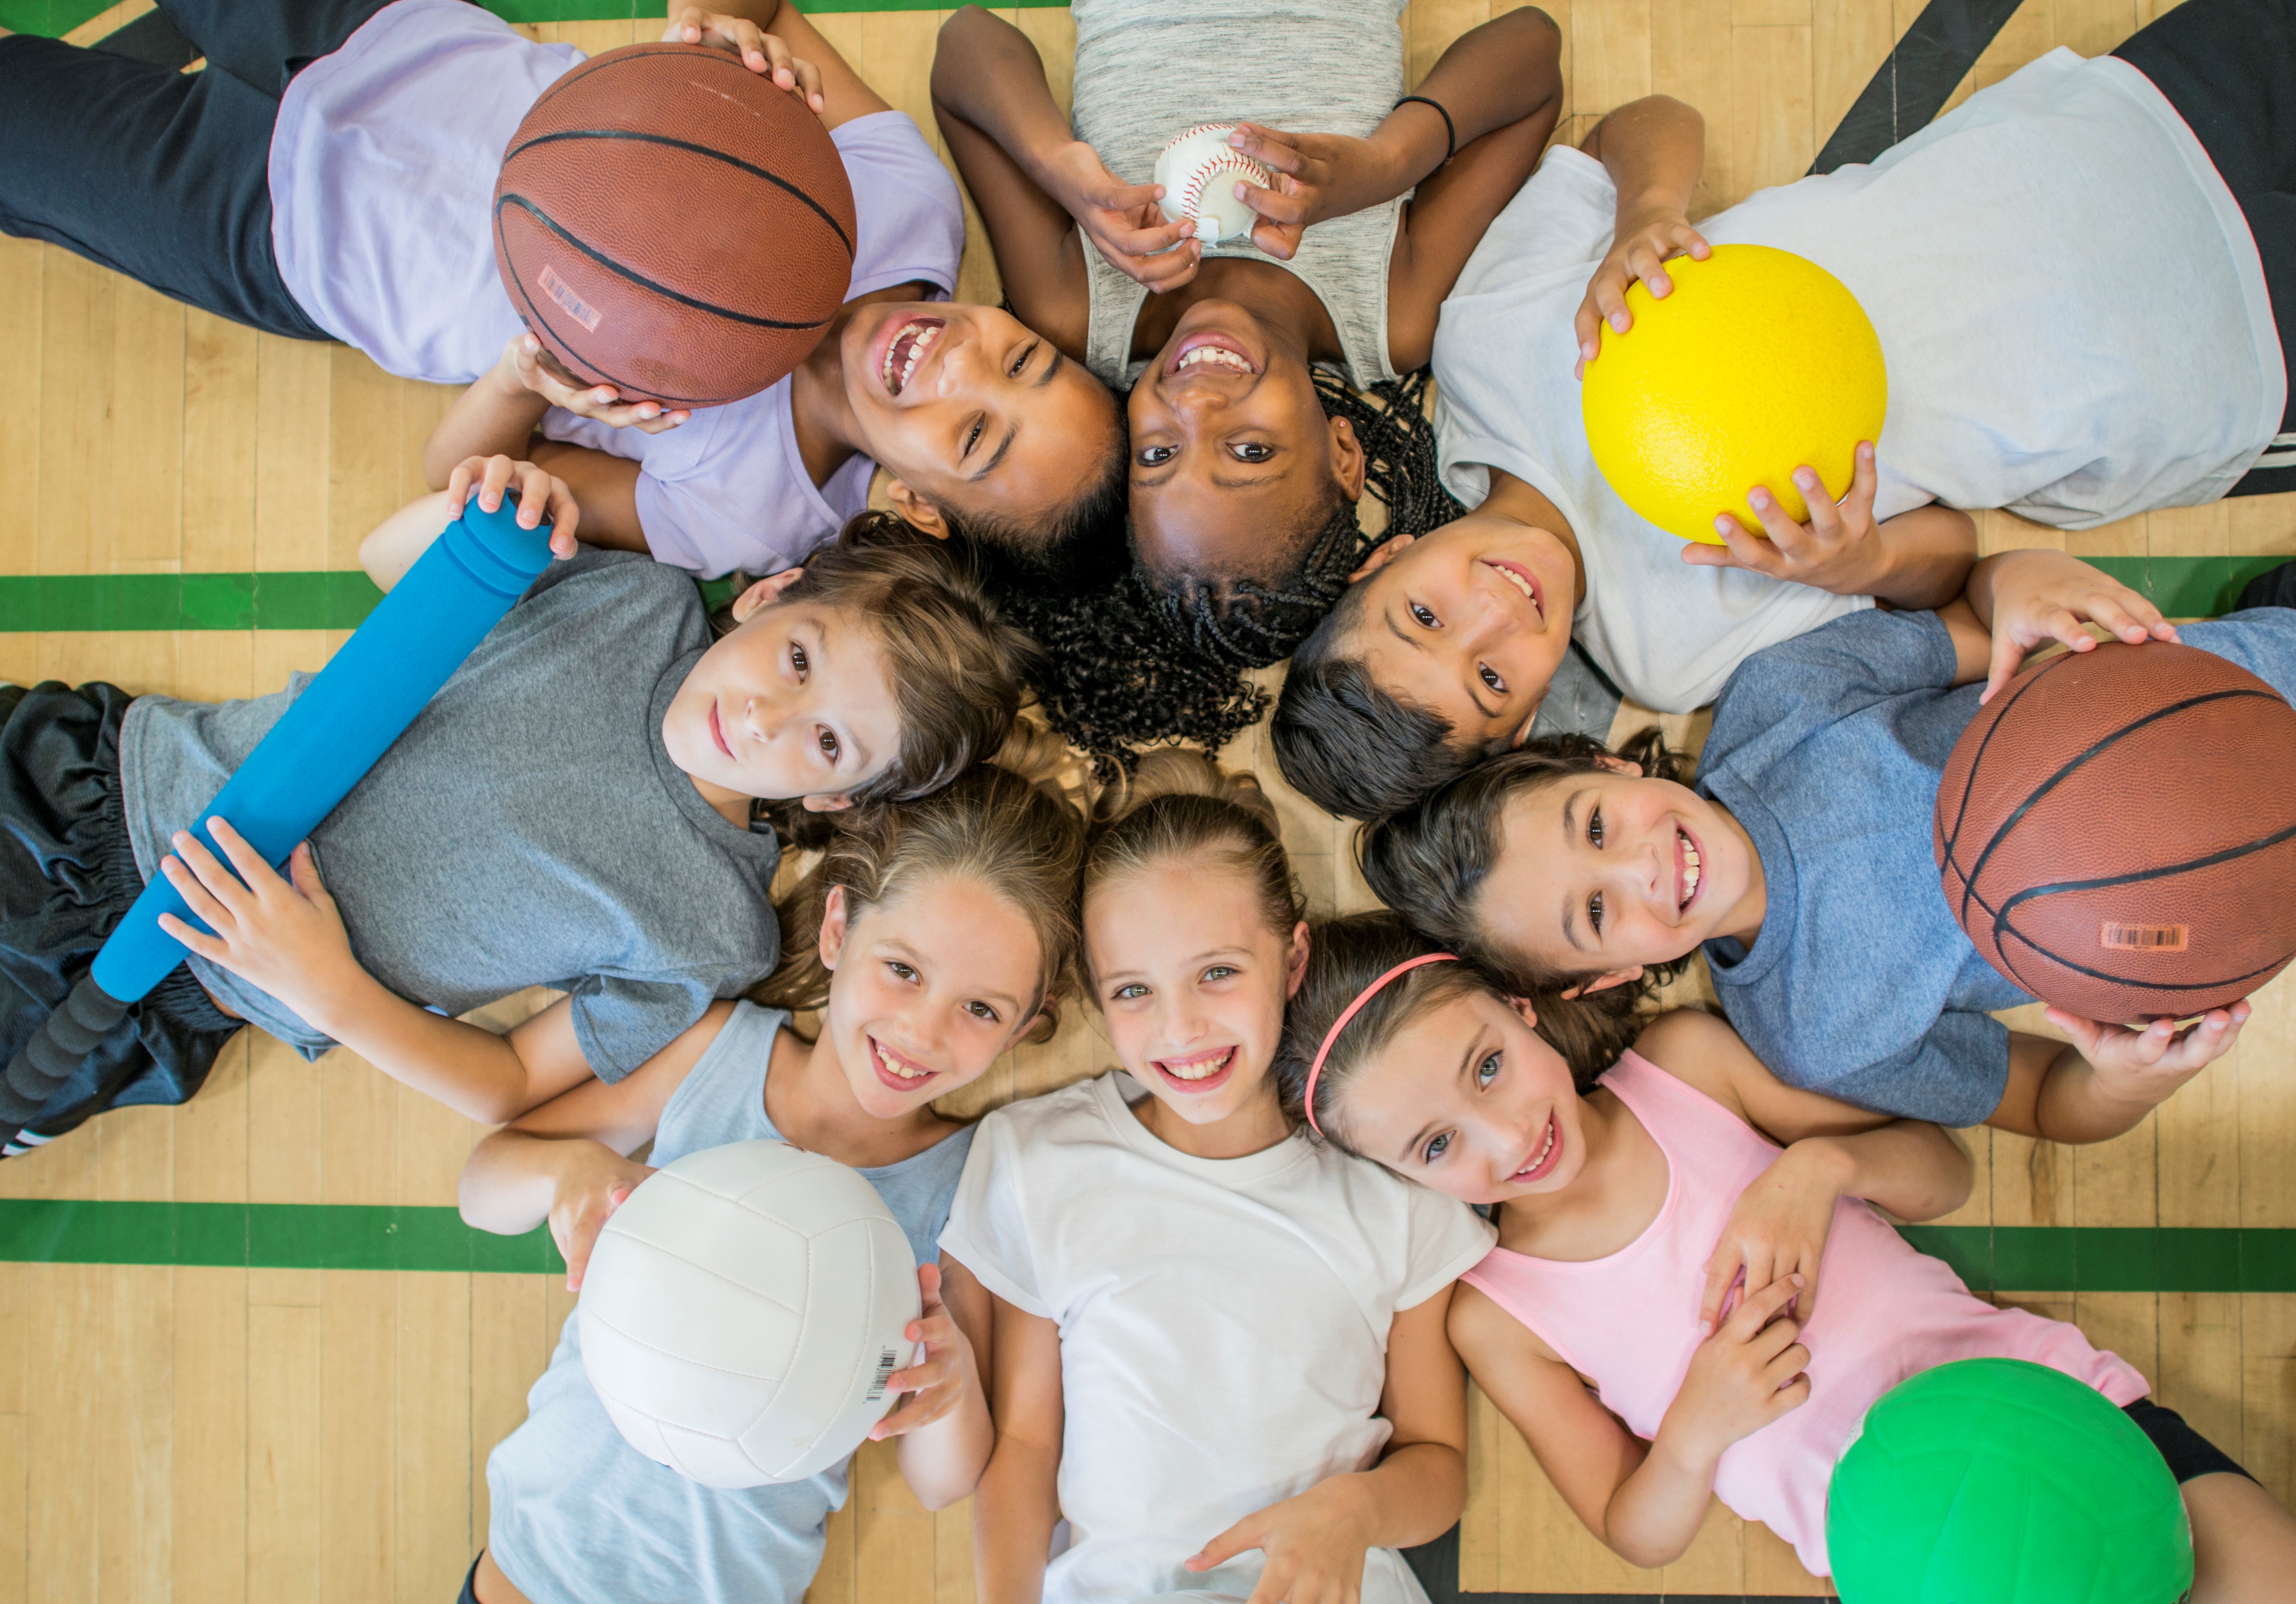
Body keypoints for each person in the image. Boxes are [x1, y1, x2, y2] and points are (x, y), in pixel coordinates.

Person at [1271, 0, 2296, 821]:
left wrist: (1646, 216)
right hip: (2197, 360)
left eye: (1425, 616)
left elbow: (1640, 123)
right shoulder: (1671, 651)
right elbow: (1953, 558)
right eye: (1490, 677)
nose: (1494, 614)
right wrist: (1855, 557)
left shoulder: (1485, 343)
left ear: (1388, 560)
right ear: (1523, 724)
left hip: (2116, 135)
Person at [1276, 911, 2296, 1599]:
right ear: (1404, 1179)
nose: (1508, 1136)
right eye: (1438, 1144)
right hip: (1921, 1562)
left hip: (2061, 1425)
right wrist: (1698, 1427)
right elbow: (1635, 1528)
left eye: (1485, 1067)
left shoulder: (1688, 1068)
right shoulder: (1501, 1314)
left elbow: (1944, 1172)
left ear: (1521, 1010)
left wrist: (1818, 1172)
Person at [0, 458, 1037, 1154]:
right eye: (799, 659)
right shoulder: (639, 599)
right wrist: (471, 523)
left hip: (178, 985)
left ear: (835, 792)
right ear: (772, 593)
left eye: (823, 739)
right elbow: (389, 564)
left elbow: (504, 1084)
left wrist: (329, 990)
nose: (766, 714)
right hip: (99, 789)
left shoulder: (710, 934)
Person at [0, 0, 1125, 578]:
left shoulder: (749, 510)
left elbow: (463, 480)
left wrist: (522, 376)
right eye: (1020, 357)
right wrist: (718, 36)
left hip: (295, 239)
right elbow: (765, 14)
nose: (961, 362)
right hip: (386, 34)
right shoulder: (906, 209)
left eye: (976, 435)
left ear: (921, 505)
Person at [1359, 535, 2296, 1139]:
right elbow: (2045, 1102)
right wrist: (2130, 1078)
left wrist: (2023, 576)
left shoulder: (1780, 702)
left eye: (1593, 825)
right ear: (1599, 980)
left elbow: (1987, 606)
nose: (1638, 866)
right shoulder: (1811, 1035)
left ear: (1606, 766)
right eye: (1594, 913)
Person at [453, 755, 1086, 1604]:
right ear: (837, 931)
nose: (921, 1032)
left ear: (1018, 1031)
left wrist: (949, 1385)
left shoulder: (963, 1183)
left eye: (980, 1009)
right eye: (902, 969)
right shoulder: (717, 1055)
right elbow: (481, 1187)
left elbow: (941, 1481)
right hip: (534, 1572)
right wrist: (568, 1170)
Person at [927, 0, 1559, 759]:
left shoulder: (1078, 308)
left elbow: (967, 44)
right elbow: (1533, 54)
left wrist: (1055, 165)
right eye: (1251, 452)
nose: (1195, 406)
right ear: (1345, 453)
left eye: (1159, 455)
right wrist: (1390, 162)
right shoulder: (1390, 314)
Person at [944, 751, 1492, 1602]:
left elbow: (1438, 1466)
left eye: (1217, 972)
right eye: (1133, 990)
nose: (1180, 1027)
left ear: (1293, 958)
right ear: (1094, 994)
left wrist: (1355, 1510)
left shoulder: (1388, 1183)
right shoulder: (1040, 1160)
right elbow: (1023, 1445)